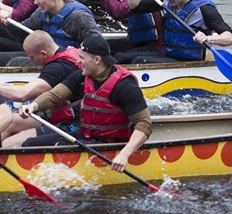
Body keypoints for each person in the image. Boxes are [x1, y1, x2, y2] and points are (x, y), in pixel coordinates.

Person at [18, 34, 152, 173]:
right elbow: (55, 95)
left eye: (82, 57)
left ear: (97, 59)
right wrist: (33, 106)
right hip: (88, 137)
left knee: (61, 145)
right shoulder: (82, 76)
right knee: (30, 144)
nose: (78, 61)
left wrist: (124, 154)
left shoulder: (125, 86)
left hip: (112, 145)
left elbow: (144, 124)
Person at [0, 0, 102, 68]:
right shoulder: (42, 12)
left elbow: (97, 44)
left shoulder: (79, 16)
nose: (35, 3)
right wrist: (8, 22)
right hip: (49, 58)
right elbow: (22, 33)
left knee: (15, 62)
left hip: (68, 64)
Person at [126, 0, 232, 64]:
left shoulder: (204, 9)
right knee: (123, 57)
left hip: (189, 62)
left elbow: (231, 39)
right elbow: (135, 6)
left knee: (138, 61)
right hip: (168, 55)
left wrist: (207, 38)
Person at [0, 31, 82, 147]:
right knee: (8, 122)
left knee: (9, 143)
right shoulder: (67, 52)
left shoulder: (58, 68)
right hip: (57, 117)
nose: (31, 61)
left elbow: (22, 94)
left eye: (32, 57)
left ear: (43, 53)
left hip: (70, 125)